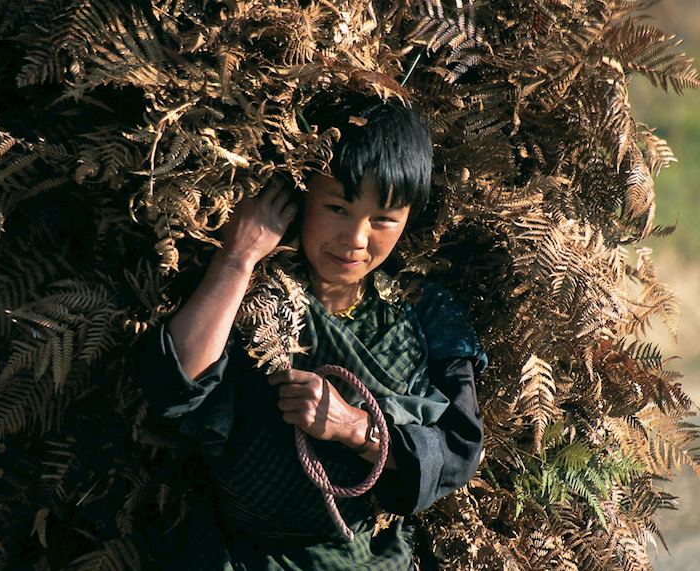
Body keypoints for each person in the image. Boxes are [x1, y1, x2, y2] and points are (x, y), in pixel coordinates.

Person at [136, 95, 487, 570]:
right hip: (239, 555)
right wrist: (237, 259)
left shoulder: (426, 311)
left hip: (368, 558)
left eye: (383, 219)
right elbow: (173, 386)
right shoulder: (262, 292)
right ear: (303, 198)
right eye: (338, 207)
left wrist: (352, 426)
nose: (356, 240)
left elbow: (459, 452)